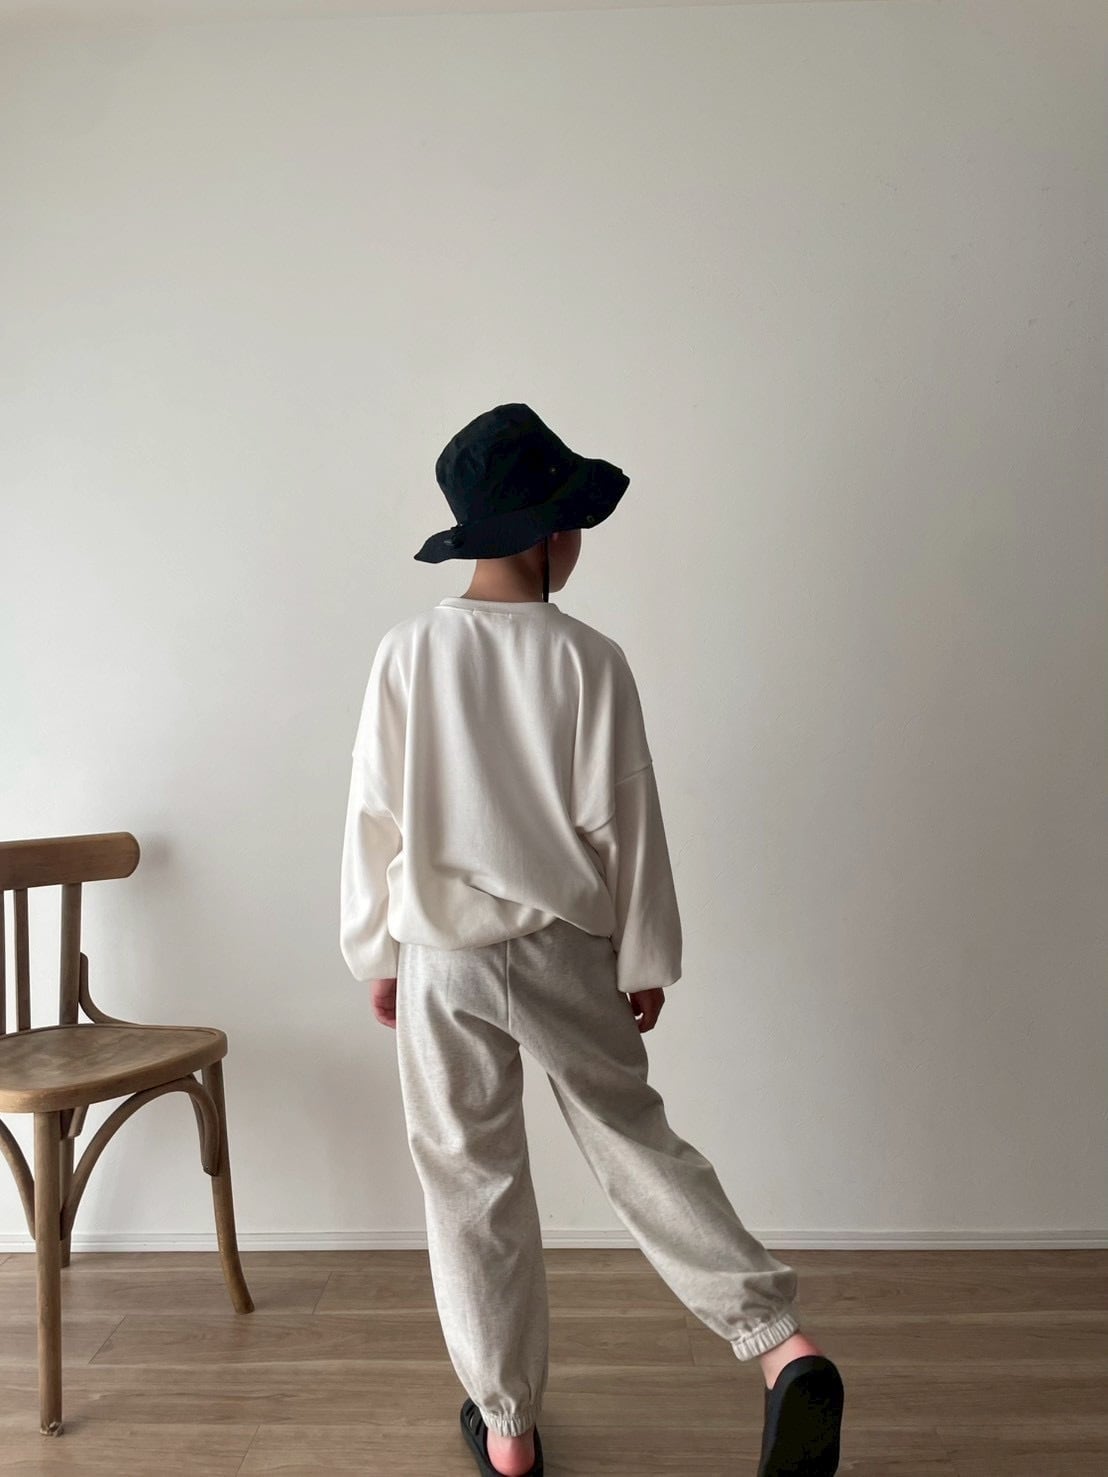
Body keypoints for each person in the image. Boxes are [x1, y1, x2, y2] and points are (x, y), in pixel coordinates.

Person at [340, 404, 845, 1477]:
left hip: (442, 955)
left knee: (469, 1181)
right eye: (569, 522)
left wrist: (375, 952)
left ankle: (508, 1429)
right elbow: (628, 819)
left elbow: (373, 817)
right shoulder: (589, 659)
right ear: (544, 534)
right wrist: (643, 957)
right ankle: (778, 1344)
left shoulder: (407, 653)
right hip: (566, 944)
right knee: (635, 1140)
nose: (576, 540)